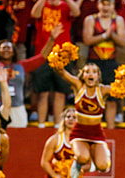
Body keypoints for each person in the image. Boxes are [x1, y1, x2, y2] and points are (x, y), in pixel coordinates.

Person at [0, 7, 63, 128]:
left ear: (14, 51)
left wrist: (52, 39)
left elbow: (42, 57)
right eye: (3, 47)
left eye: (9, 47)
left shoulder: (21, 66)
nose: (6, 50)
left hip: (18, 110)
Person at [52, 62, 125, 178]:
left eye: (94, 72)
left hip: (96, 132)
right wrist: (58, 62)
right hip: (79, 131)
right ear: (83, 75)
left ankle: (94, 158)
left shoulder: (103, 90)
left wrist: (124, 85)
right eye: (87, 72)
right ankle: (78, 164)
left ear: (98, 75)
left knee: (103, 167)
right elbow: (62, 73)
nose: (90, 74)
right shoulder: (79, 85)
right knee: (82, 158)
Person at [31, 0, 80, 128]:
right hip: (43, 54)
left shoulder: (65, 5)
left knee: (60, 92)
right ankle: (41, 125)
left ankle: (58, 125)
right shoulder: (43, 4)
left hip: (63, 55)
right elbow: (34, 14)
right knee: (43, 92)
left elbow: (77, 12)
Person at [83, 0, 125, 129]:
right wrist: (104, 36)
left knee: (112, 99)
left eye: (109, 4)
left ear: (113, 6)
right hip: (93, 63)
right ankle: (89, 127)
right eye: (103, 4)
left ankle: (111, 128)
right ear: (98, 5)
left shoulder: (118, 20)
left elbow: (122, 41)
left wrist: (111, 35)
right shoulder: (90, 19)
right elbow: (87, 40)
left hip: (111, 63)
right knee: (91, 96)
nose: (105, 7)